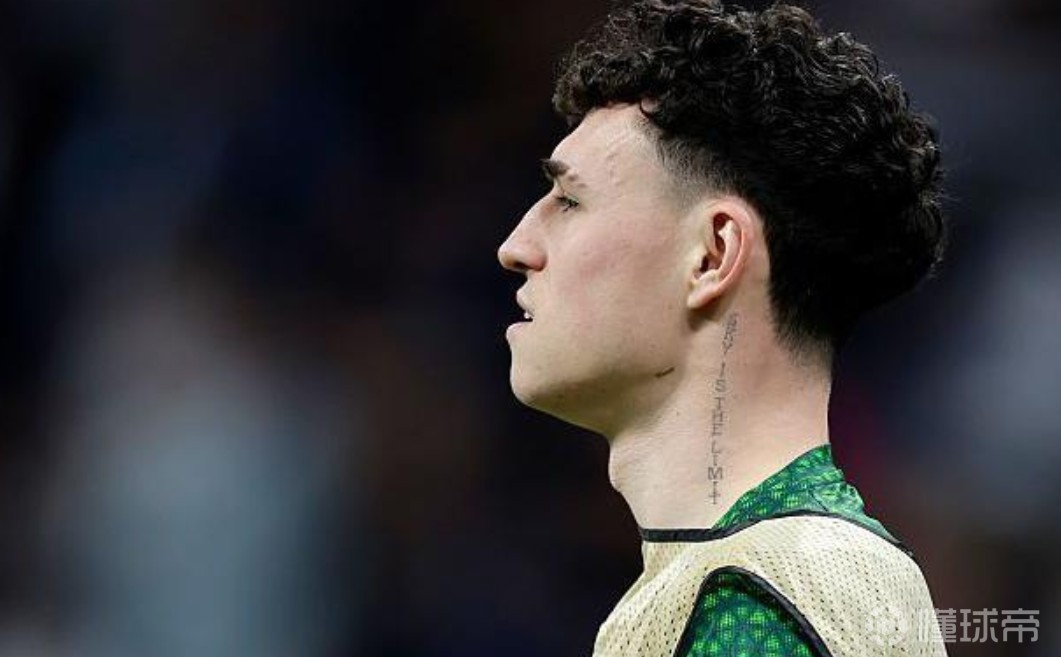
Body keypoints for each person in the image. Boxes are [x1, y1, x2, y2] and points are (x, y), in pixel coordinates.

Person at [497, 1, 948, 655]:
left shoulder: (753, 604)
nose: (515, 247)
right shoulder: (801, 572)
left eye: (568, 200)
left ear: (712, 255)